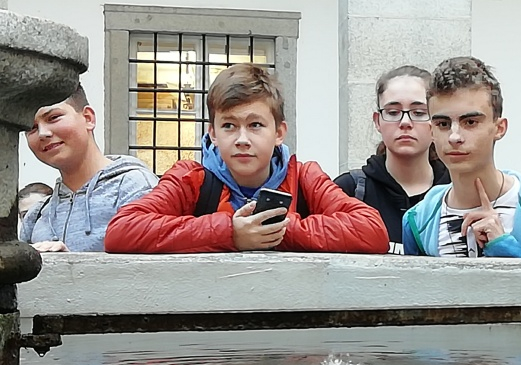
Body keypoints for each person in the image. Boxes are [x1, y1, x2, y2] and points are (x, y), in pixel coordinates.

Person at [105, 64, 388, 254]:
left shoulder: (304, 178)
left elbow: (371, 230)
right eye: (229, 125)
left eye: (255, 125)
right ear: (213, 133)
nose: (242, 139)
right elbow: (122, 230)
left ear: (279, 132)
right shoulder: (190, 180)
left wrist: (277, 229)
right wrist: (229, 232)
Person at [401, 57, 521, 258]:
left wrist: (503, 247)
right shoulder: (418, 220)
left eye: (470, 122)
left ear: (499, 128)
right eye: (443, 124)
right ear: (431, 131)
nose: (454, 137)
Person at [21, 84, 158, 252]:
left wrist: (72, 264)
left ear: (88, 118)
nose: (43, 133)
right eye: (32, 128)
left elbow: (157, 266)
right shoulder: (36, 215)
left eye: (53, 118)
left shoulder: (135, 188)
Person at [334, 66, 451, 254]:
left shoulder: (457, 192)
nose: (405, 122)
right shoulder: (348, 191)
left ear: (436, 121)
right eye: (393, 112)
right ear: (377, 121)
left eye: (419, 112)